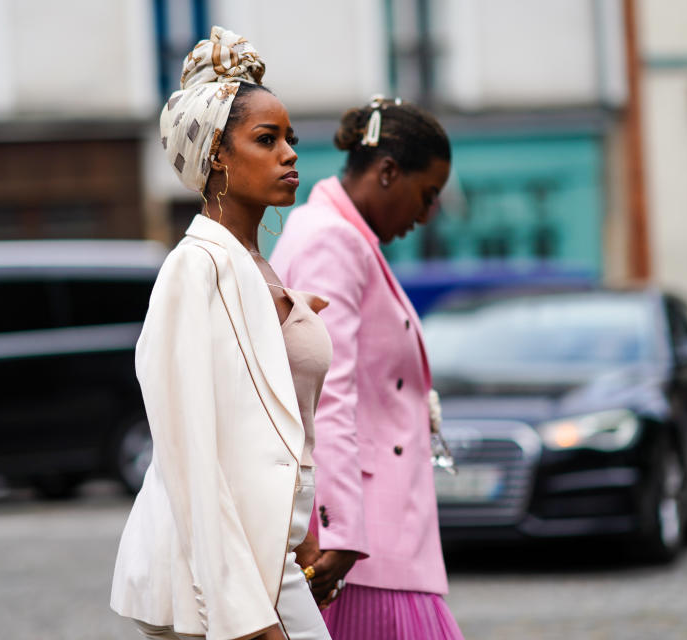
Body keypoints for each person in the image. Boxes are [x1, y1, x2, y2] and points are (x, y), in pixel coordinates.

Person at [111, 27, 333, 640]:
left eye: (290, 138)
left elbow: (266, 426)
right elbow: (189, 455)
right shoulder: (194, 268)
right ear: (216, 154)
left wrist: (301, 530)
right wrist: (242, 617)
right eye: (267, 139)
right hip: (228, 581)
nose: (289, 153)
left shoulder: (251, 264)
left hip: (269, 556)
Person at [270, 96, 464, 639]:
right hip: (365, 546)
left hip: (373, 538)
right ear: (386, 171)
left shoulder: (337, 235)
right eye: (426, 196)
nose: (426, 215)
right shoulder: (332, 240)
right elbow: (327, 390)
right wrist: (341, 533)